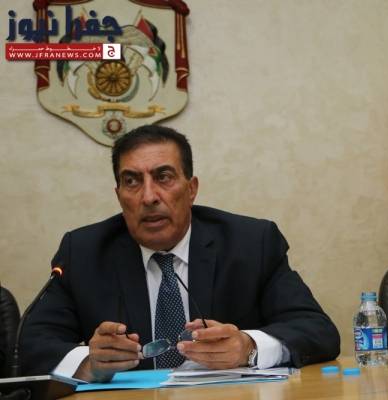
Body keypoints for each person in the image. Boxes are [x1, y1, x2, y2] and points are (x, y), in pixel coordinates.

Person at [20, 125, 340, 382]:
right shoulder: (83, 252)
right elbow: (30, 345)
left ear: (191, 189)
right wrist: (89, 362)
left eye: (163, 177)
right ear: (119, 196)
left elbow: (317, 330)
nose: (149, 196)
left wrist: (249, 346)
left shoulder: (251, 243)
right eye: (132, 181)